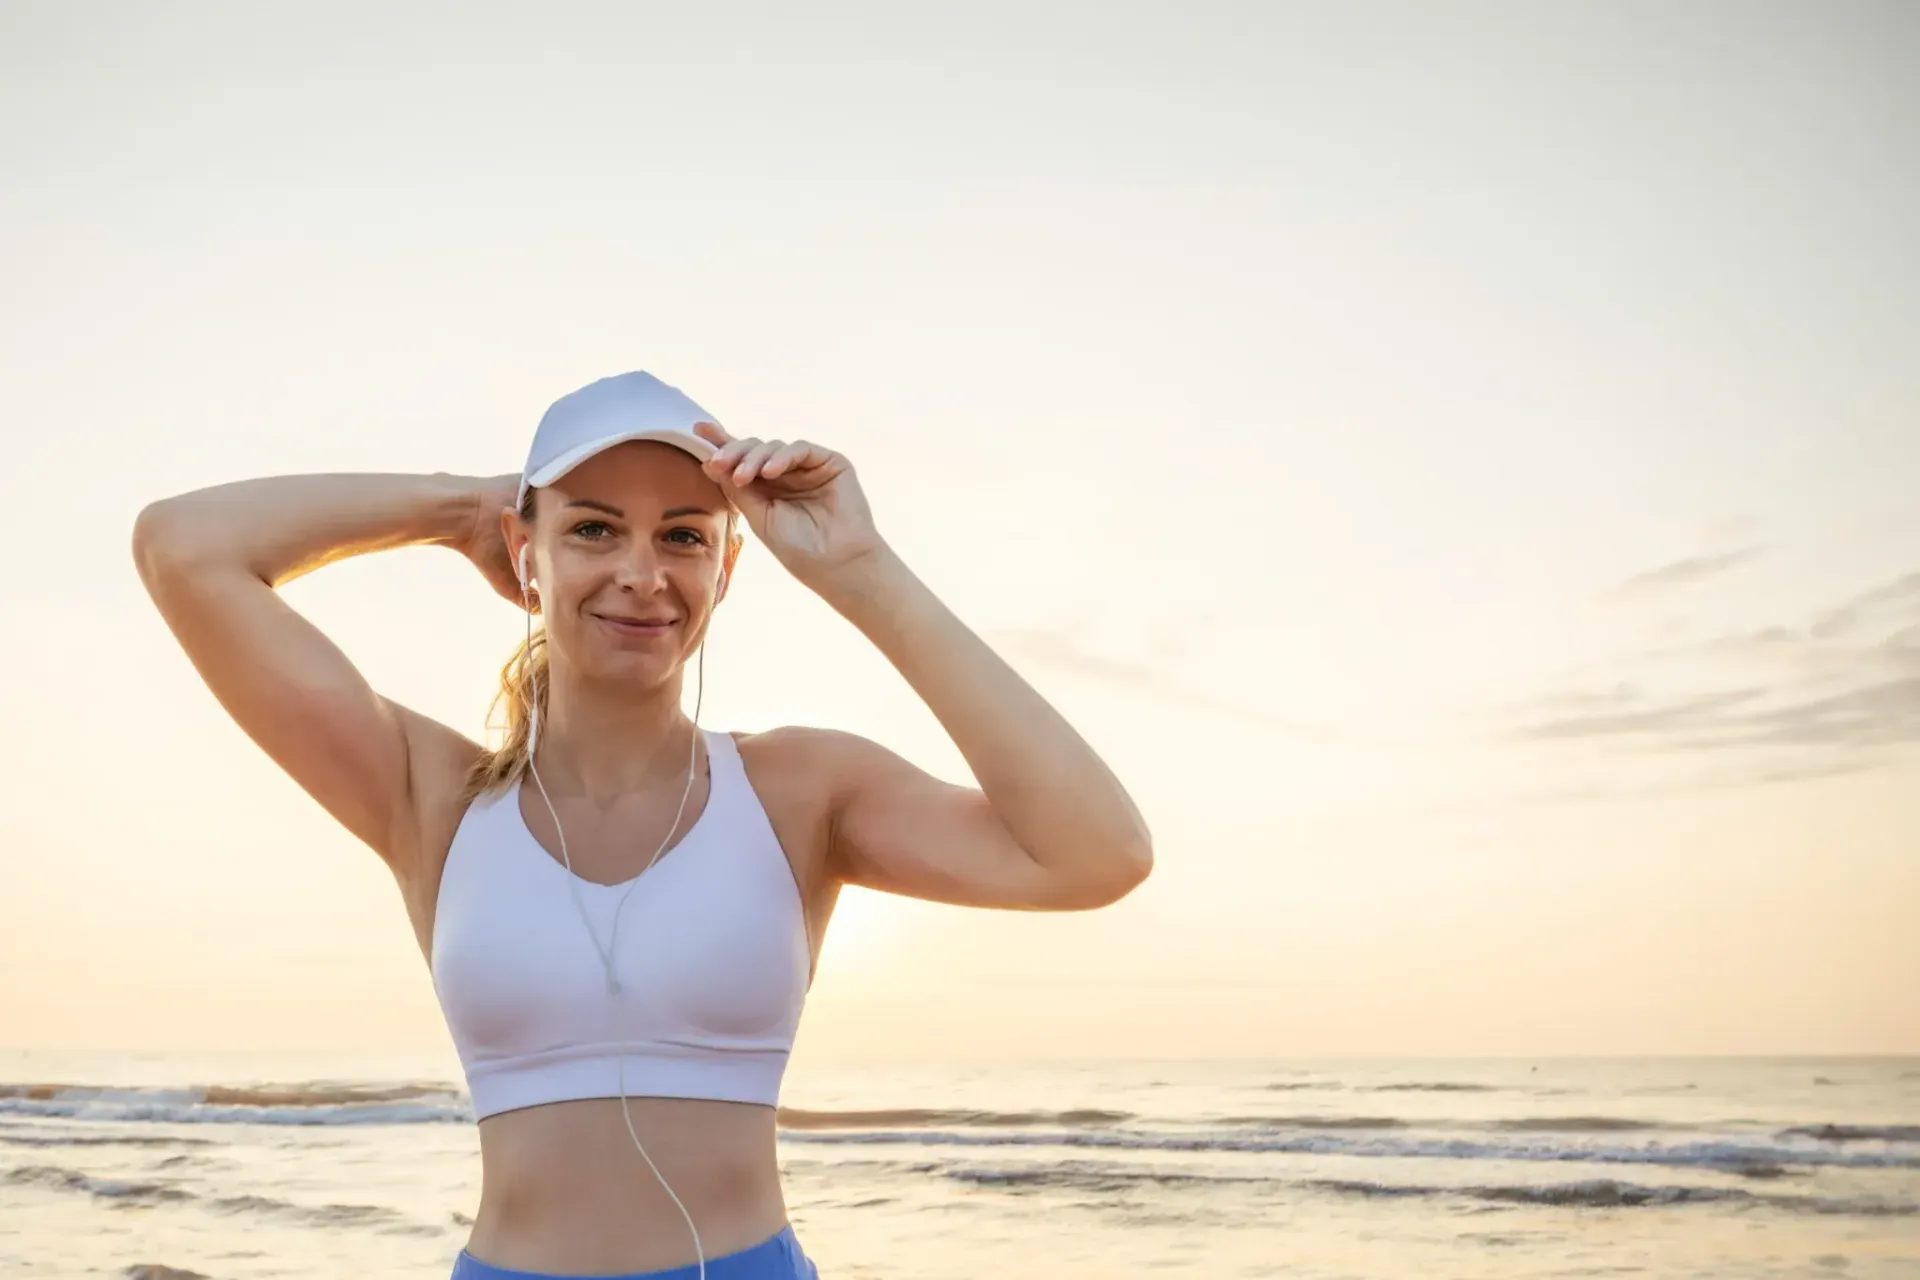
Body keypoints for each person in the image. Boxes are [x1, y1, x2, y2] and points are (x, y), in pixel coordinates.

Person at [131, 370, 1154, 1279]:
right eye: (591, 526)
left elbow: (1096, 852)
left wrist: (859, 567)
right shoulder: (431, 795)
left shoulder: (802, 788)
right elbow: (183, 545)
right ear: (522, 552)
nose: (641, 569)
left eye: (682, 534)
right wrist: (460, 508)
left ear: (725, 569)